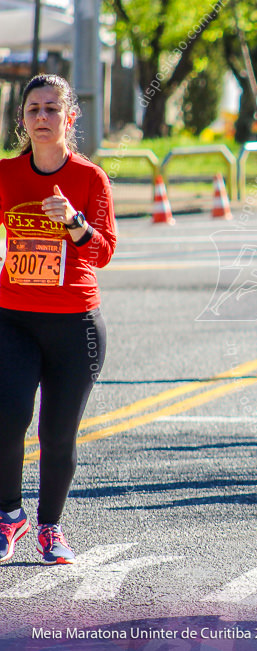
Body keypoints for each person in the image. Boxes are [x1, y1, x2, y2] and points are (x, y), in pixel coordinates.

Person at [0, 74, 117, 565]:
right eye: (33, 110)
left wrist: (74, 222)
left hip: (75, 324)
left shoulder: (90, 179)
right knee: (7, 417)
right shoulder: (5, 175)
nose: (42, 118)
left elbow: (105, 251)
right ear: (22, 120)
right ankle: (9, 517)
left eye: (52, 109)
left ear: (70, 118)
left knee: (57, 433)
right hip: (13, 318)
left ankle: (51, 527)